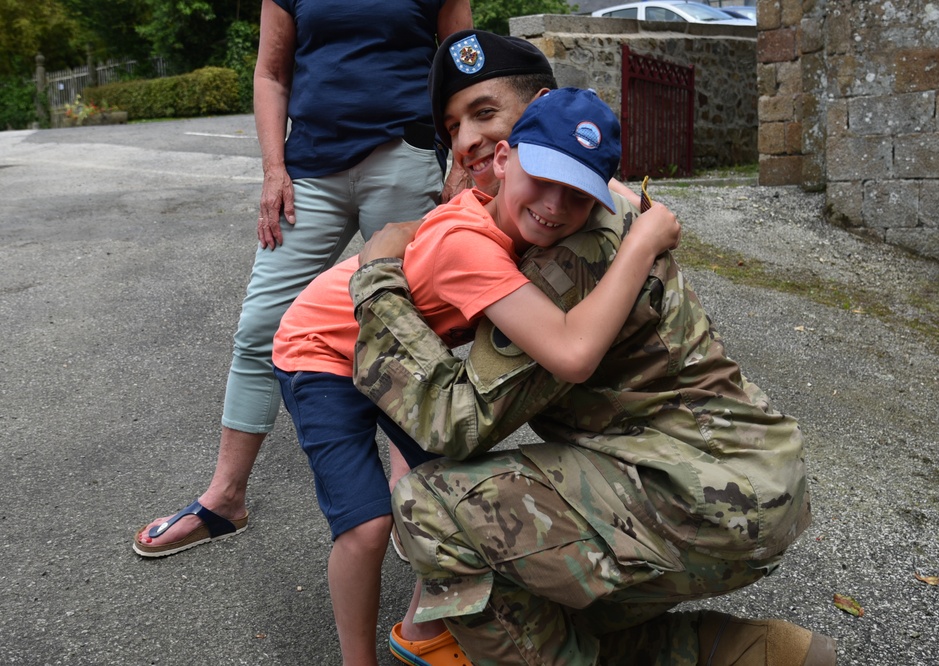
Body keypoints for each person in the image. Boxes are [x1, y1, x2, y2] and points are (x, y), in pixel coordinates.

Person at [347, 38, 835, 666]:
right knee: (519, 598)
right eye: (453, 125)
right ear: (508, 160)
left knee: (429, 508)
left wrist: (378, 280)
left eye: (484, 112)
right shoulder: (597, 213)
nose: (554, 207)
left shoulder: (570, 264)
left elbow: (452, 422)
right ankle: (738, 651)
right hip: (729, 476)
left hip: (705, 492)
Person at [272, 87, 679, 666]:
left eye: (577, 195)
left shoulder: (503, 194)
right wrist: (644, 240)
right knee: (366, 527)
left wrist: (615, 191)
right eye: (544, 180)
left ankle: (419, 631)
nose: (556, 208)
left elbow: (584, 184)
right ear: (505, 159)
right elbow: (571, 354)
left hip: (396, 354)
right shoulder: (469, 248)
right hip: (323, 351)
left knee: (442, 492)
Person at [132, 0, 472, 558]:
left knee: (412, 331)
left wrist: (459, 163)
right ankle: (225, 498)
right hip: (310, 168)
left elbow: (462, 62)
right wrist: (273, 170)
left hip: (405, 156)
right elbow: (271, 73)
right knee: (261, 325)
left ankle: (419, 501)